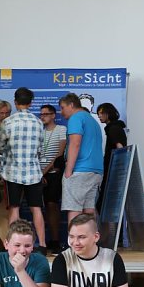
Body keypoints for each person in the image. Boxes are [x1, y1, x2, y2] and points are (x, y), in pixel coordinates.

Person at [0, 87, 47, 255]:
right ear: (31, 103)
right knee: (36, 208)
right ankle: (42, 244)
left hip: (12, 171)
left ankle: (15, 246)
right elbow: (41, 149)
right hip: (33, 172)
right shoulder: (38, 122)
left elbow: (1, 147)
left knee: (14, 208)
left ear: (15, 102)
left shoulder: (8, 122)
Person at [59, 93, 103, 223]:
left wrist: (68, 170)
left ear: (71, 105)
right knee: (89, 210)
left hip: (80, 170)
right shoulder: (92, 120)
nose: (61, 112)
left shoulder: (76, 118)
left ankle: (74, 243)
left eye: (62, 107)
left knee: (74, 209)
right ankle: (90, 242)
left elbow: (75, 143)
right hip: (96, 170)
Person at [38, 104, 67, 251]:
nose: (43, 116)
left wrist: (44, 172)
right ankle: (45, 241)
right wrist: (39, 173)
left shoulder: (61, 130)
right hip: (39, 174)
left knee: (52, 205)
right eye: (41, 114)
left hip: (53, 174)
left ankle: (55, 240)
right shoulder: (39, 132)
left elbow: (59, 154)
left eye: (46, 114)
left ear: (54, 115)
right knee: (41, 208)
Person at [96, 102, 128, 212]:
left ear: (108, 114)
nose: (99, 116)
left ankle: (109, 229)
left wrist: (117, 170)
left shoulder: (113, 128)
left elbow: (120, 148)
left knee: (106, 203)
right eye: (98, 113)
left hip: (113, 171)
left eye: (101, 113)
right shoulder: (115, 127)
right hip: (113, 170)